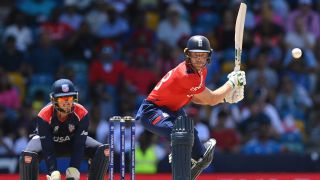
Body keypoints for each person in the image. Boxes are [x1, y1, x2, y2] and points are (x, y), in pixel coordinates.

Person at [135, 35, 246, 179]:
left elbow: (196, 97)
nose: (199, 59)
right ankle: (178, 153)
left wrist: (224, 98)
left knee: (202, 156)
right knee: (182, 136)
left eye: (202, 55)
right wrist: (231, 83)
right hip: (152, 111)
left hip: (174, 110)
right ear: (188, 55)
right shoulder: (186, 75)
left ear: (208, 56)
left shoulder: (201, 72)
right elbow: (211, 99)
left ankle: (186, 159)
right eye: (195, 55)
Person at [19, 79, 109, 180]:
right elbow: (47, 147)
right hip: (48, 143)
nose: (67, 103)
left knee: (103, 151)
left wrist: (74, 169)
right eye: (62, 99)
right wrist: (53, 172)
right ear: (53, 100)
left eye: (69, 98)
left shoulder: (82, 113)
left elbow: (79, 144)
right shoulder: (44, 115)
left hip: (72, 141)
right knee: (28, 156)